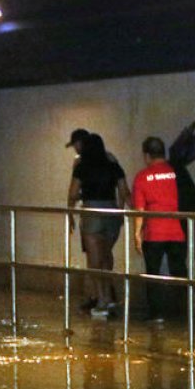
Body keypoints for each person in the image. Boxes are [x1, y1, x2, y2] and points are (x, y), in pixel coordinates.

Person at [68, 133, 130, 318]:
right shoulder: (113, 164)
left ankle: (102, 300)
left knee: (94, 261)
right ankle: (109, 298)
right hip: (111, 213)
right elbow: (124, 191)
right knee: (106, 256)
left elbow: (72, 193)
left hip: (92, 212)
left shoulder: (82, 166)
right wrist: (119, 212)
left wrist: (82, 196)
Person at [132, 136, 187, 323]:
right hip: (176, 231)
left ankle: (156, 314)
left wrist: (137, 234)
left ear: (147, 155)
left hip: (154, 233)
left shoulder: (142, 177)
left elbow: (140, 209)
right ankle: (183, 310)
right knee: (179, 271)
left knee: (153, 273)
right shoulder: (176, 173)